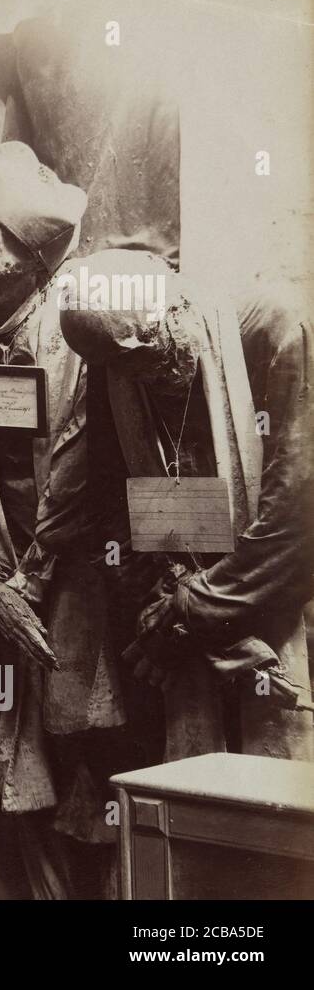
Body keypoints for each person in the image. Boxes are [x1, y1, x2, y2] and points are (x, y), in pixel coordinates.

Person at [0, 141, 143, 898]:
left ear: (30, 264)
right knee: (16, 780)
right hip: (9, 596)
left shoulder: (80, 341)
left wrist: (42, 577)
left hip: (84, 591)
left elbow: (99, 479)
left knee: (88, 769)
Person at [58, 251, 314, 763]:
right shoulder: (113, 361)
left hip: (280, 612)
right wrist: (160, 599)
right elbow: (109, 504)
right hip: (174, 628)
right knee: (191, 801)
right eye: (128, 366)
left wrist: (190, 611)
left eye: (151, 352)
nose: (148, 375)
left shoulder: (272, 331)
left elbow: (297, 517)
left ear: (176, 308)